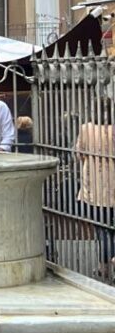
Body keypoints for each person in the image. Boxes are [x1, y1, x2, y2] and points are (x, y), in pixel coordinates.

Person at [74, 109, 115, 278]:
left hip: (94, 184)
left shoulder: (85, 128)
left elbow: (79, 153)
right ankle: (109, 261)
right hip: (113, 183)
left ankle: (105, 264)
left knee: (101, 228)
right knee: (111, 228)